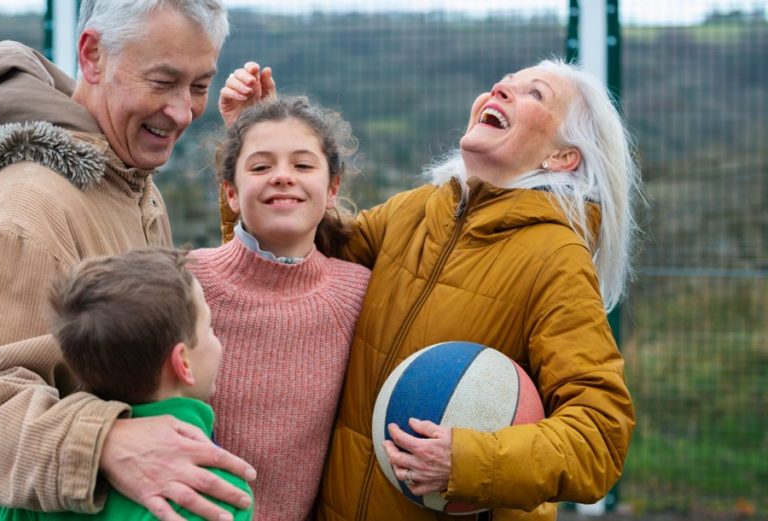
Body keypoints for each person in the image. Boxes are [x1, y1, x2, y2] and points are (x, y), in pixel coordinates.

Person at [220, 59, 639, 519]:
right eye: (505, 82)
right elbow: (291, 263)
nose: (500, 88)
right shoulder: (414, 211)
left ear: (562, 158)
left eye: (534, 93)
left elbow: (599, 436)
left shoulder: (555, 258)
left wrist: (468, 463)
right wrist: (256, 137)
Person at [0, 2, 257, 521]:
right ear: (92, 56)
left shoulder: (128, 181)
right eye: (162, 81)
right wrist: (104, 442)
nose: (183, 111)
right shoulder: (27, 214)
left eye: (197, 85)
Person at [0, 247, 254, 521]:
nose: (217, 339)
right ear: (182, 363)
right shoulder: (219, 494)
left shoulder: (54, 491)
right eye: (210, 327)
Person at [189, 96, 371, 520]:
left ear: (332, 189)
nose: (283, 177)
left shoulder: (358, 294)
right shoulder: (184, 284)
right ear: (231, 193)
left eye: (303, 166)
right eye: (260, 167)